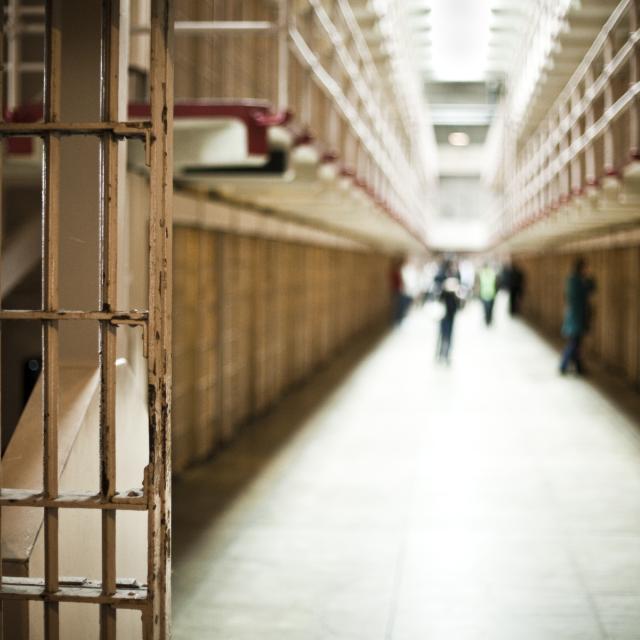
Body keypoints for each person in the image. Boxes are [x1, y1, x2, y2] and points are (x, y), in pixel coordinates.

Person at [560, 257, 595, 375]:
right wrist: (589, 277)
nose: (587, 270)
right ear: (581, 268)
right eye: (586, 268)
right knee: (574, 344)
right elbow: (592, 287)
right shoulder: (579, 282)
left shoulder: (571, 280)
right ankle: (564, 365)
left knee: (576, 344)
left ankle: (577, 367)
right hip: (577, 318)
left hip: (573, 317)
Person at [436, 275, 461, 364]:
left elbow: (458, 306)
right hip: (443, 318)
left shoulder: (455, 294)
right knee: (442, 336)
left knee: (449, 337)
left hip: (451, 318)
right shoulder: (444, 293)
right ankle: (439, 354)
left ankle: (446, 355)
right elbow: (439, 300)